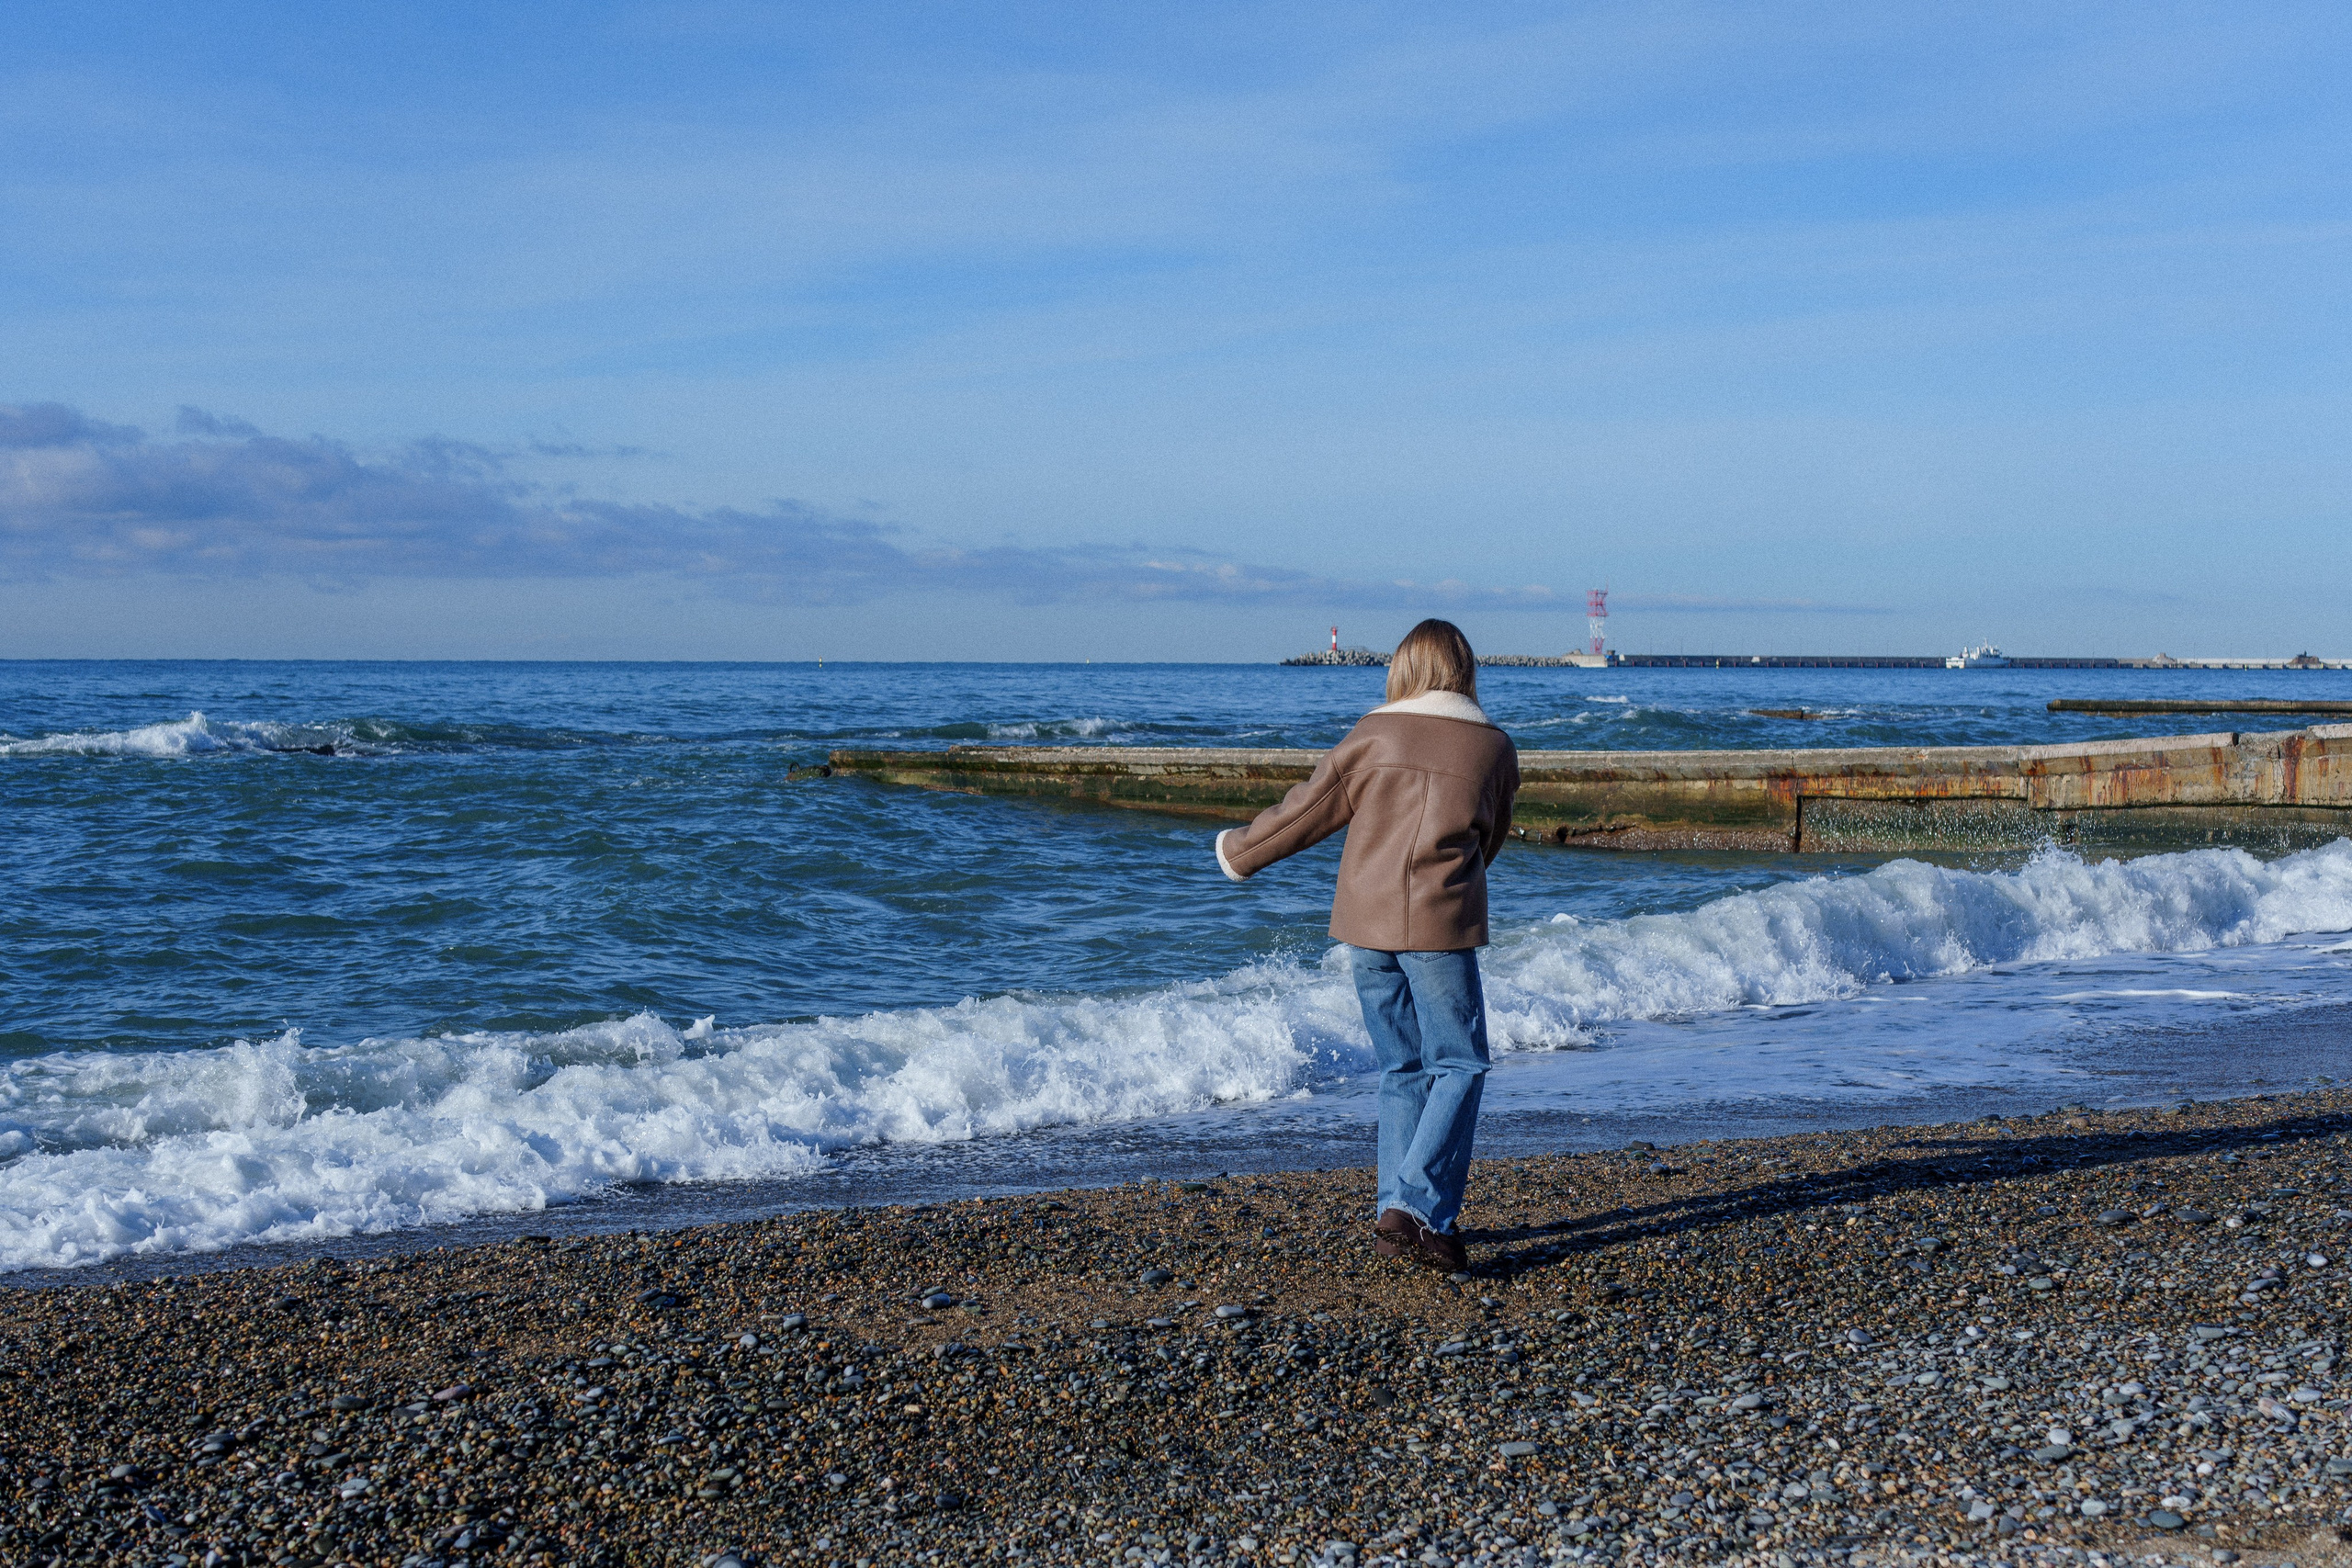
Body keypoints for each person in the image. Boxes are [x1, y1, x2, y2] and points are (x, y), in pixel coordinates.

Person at [1214, 618, 1521, 1273]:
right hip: (1440, 926)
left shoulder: (1373, 734)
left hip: (1364, 928)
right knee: (1460, 1065)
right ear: (1465, 670)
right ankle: (1416, 1206)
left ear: (1404, 668)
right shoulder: (1494, 748)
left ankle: (1402, 1214)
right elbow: (1488, 839)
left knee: (1401, 1068)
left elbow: (1304, 812)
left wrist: (1240, 853)